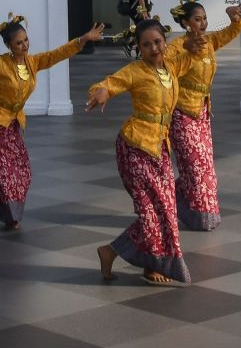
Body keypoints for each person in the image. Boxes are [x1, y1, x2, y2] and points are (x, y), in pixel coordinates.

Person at [0, 15, 106, 230]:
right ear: (9, 45)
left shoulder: (33, 62)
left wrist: (83, 39)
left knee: (22, 173)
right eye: (19, 43)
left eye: (26, 40)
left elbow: (57, 54)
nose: (25, 45)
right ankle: (8, 216)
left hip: (12, 124)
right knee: (2, 174)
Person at [86, 18, 202, 286]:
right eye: (146, 45)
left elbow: (191, 51)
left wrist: (197, 42)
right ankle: (149, 264)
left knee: (166, 212)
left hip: (160, 149)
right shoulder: (135, 71)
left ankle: (112, 252)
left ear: (165, 41)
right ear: (139, 48)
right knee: (152, 212)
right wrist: (101, 92)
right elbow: (109, 83)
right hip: (134, 147)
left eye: (158, 42)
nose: (154, 48)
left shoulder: (172, 66)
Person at [167, 0, 241, 231]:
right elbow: (162, 66)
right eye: (197, 19)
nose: (202, 24)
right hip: (182, 112)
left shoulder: (209, 41)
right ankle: (181, 206)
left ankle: (185, 206)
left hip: (202, 113)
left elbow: (232, 31)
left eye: (204, 18)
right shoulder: (176, 45)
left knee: (205, 167)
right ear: (185, 22)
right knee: (194, 167)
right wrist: (185, 53)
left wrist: (233, 16)